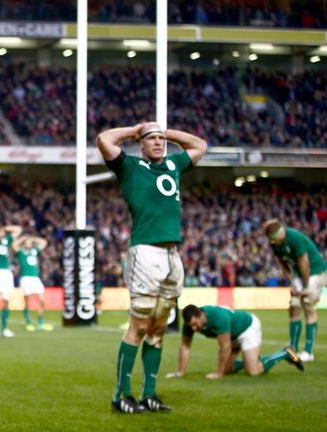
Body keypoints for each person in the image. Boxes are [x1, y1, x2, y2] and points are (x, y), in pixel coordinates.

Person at [96, 122, 207, 414]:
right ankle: (120, 394)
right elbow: (104, 139)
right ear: (141, 144)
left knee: (159, 327)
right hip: (145, 252)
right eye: (152, 139)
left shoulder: (173, 164)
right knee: (140, 325)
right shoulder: (130, 167)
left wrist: (168, 133)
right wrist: (135, 129)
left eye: (162, 139)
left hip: (173, 254)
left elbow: (200, 145)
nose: (158, 142)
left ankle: (149, 394)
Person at [168, 304, 303, 379]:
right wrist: (180, 372)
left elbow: (225, 347)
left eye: (195, 324)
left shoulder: (217, 317)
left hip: (247, 328)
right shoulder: (189, 325)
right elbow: (185, 347)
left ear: (202, 315)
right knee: (228, 369)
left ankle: (285, 352)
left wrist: (218, 374)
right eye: (191, 325)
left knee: (253, 371)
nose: (194, 328)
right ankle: (252, 359)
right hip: (232, 335)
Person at [264, 219, 325, 362]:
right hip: (299, 274)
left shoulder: (295, 239)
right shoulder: (275, 244)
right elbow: (282, 263)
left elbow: (305, 264)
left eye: (274, 239)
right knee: (294, 306)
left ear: (281, 234)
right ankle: (293, 347)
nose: (273, 243)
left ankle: (308, 352)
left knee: (308, 305)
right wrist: (292, 283)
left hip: (316, 272)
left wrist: (304, 288)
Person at [13, 235, 52, 331]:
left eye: (30, 243)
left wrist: (33, 238)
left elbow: (44, 242)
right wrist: (23, 238)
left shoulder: (34, 250)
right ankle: (28, 322)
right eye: (27, 242)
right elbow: (14, 245)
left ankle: (40, 322)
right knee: (27, 301)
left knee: (42, 301)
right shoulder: (21, 252)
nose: (29, 244)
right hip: (26, 278)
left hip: (35, 278)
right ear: (24, 244)